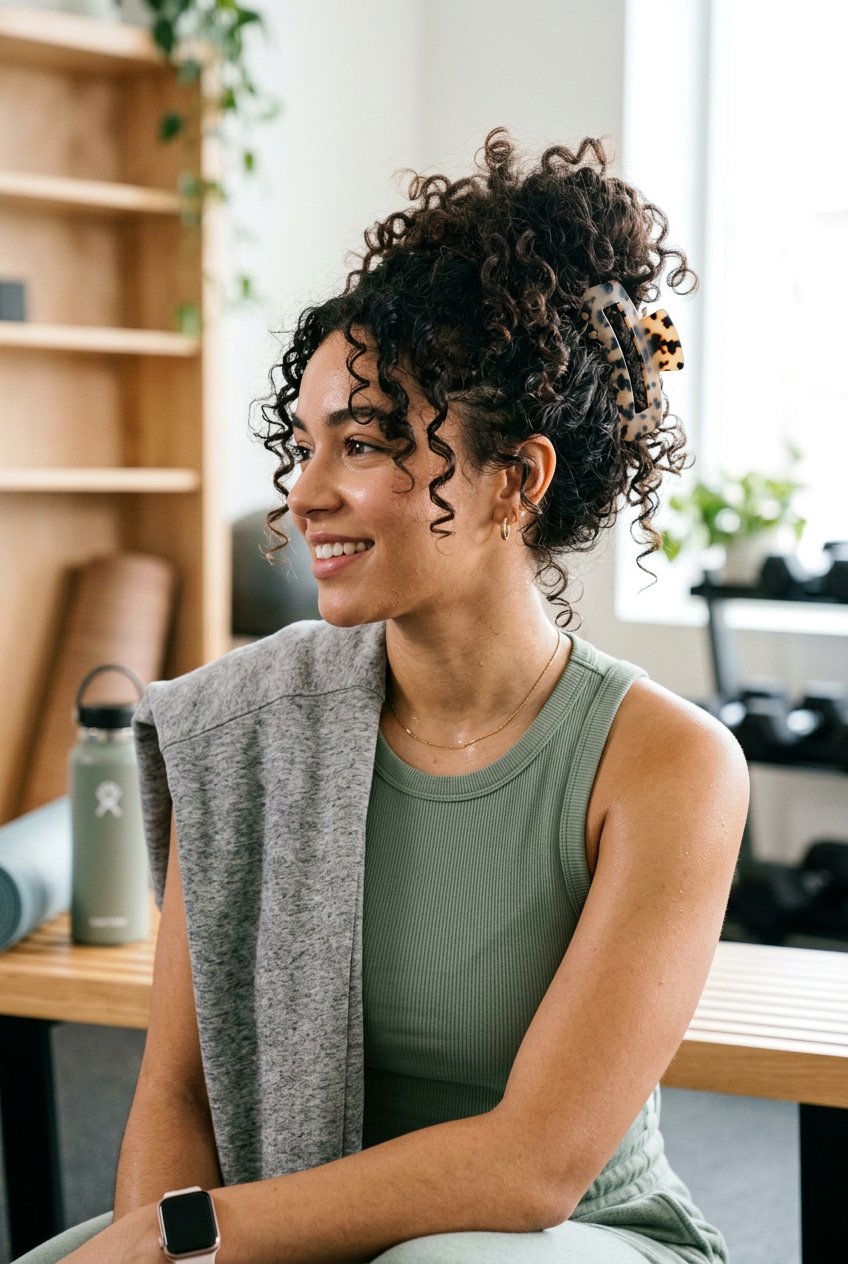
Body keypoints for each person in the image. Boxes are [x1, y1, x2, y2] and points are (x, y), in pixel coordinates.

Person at [16, 127, 748, 1264]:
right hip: (283, 1225)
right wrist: (171, 1252)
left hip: (570, 1236)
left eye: (359, 444)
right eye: (301, 445)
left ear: (517, 479)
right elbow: (177, 1092)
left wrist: (194, 1236)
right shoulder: (242, 725)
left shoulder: (668, 764)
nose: (304, 494)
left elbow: (530, 1167)